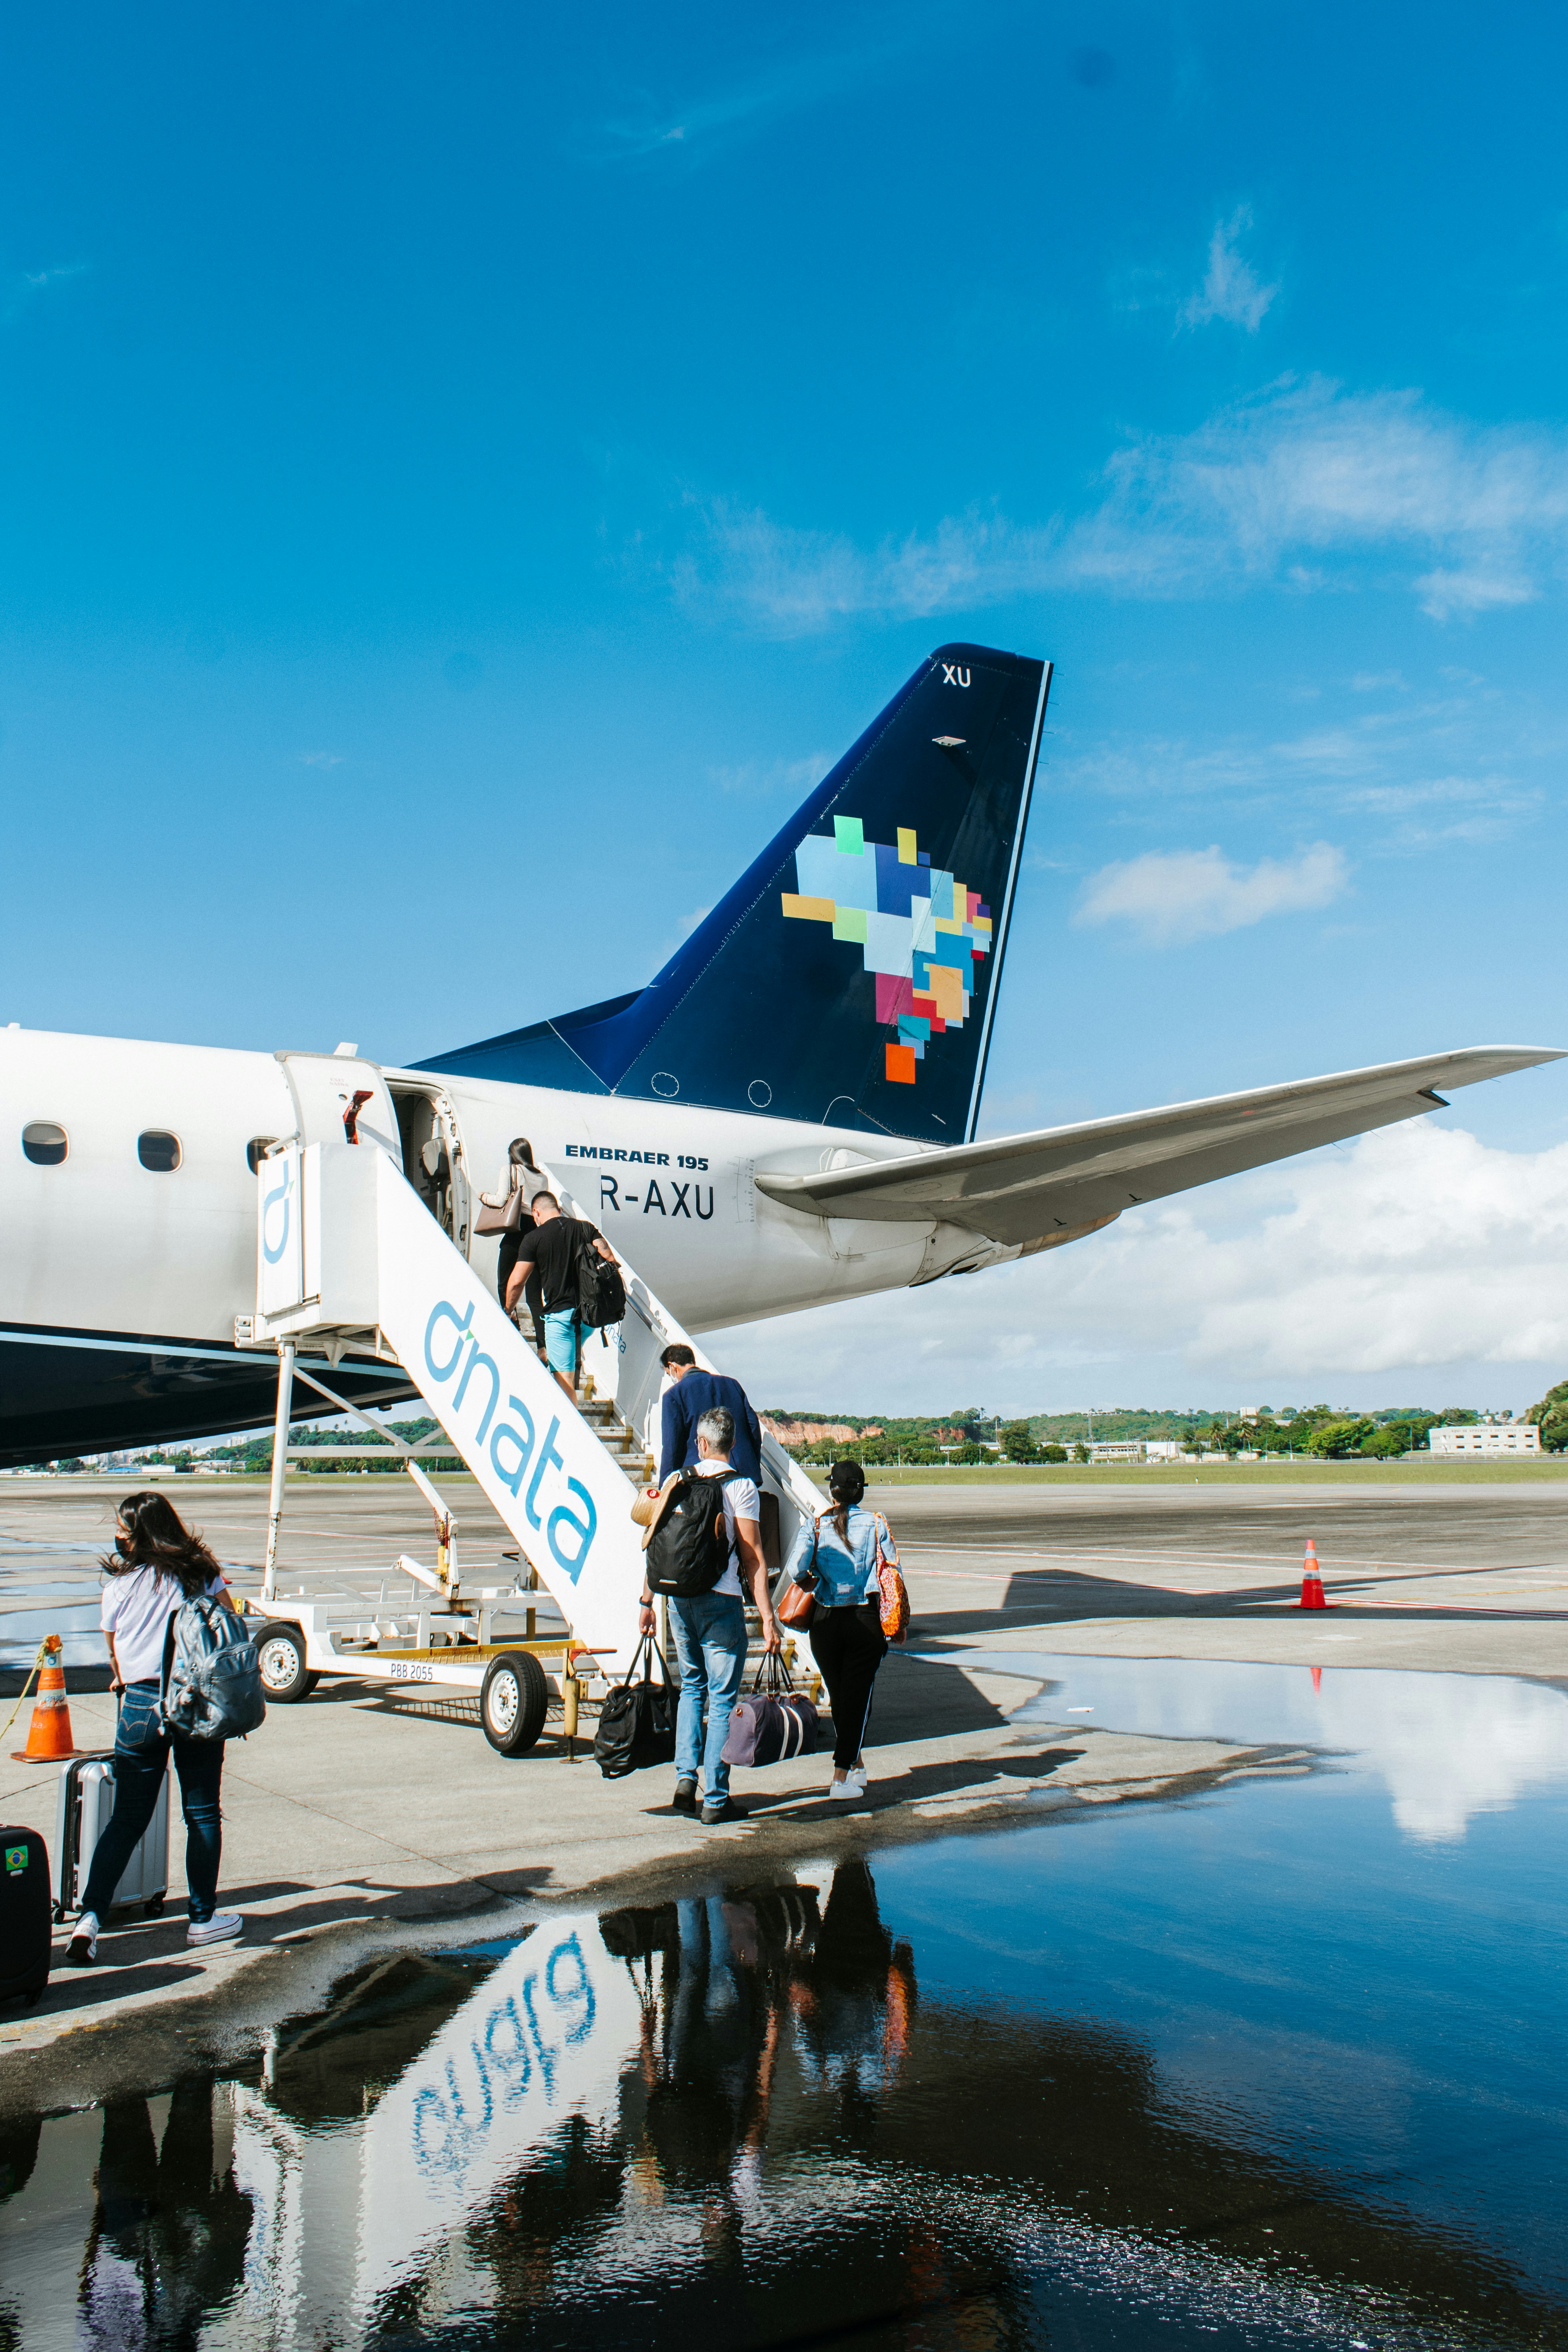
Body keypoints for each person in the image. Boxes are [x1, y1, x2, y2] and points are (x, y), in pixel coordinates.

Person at [66, 1492, 245, 1966]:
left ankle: (90, 1920)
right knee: (202, 1813)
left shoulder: (119, 1587)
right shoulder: (199, 1572)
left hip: (140, 1704)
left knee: (127, 1819)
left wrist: (126, 1678)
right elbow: (231, 1626)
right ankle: (203, 1919)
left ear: (137, 1535)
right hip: (194, 1703)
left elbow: (116, 1655)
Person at [639, 1406, 780, 1826]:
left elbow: (654, 1543)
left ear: (700, 1443)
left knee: (693, 1688)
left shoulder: (675, 1481)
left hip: (678, 1600)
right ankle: (715, 1798)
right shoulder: (742, 1488)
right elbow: (753, 1558)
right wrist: (768, 1617)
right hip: (720, 1600)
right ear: (732, 1443)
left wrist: (646, 1601)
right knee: (721, 1697)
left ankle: (685, 1780)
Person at [782, 1459, 897, 1800]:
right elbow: (892, 1573)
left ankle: (856, 1765)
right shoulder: (877, 1524)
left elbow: (795, 1568)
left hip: (825, 1623)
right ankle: (841, 1775)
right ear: (860, 1491)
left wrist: (811, 1580)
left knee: (842, 1698)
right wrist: (898, 1621)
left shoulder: (816, 1525)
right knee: (857, 1700)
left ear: (832, 1489)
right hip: (863, 1618)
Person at [505, 1193, 619, 1399]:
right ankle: (570, 1361)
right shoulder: (585, 1228)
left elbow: (516, 1282)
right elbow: (610, 1259)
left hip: (561, 1319)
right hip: (588, 1318)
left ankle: (573, 1428)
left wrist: (509, 1309)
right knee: (569, 1362)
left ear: (536, 1213)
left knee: (564, 1389)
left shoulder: (533, 1239)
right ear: (557, 1208)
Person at [657, 1345, 764, 1486]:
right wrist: (752, 1464)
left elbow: (672, 1446)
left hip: (702, 1482)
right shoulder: (732, 1384)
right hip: (744, 1474)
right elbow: (753, 1427)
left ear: (672, 1366)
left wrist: (665, 1484)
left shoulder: (674, 1395)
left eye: (668, 1372)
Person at [480, 1137, 550, 1312]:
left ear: (513, 1154)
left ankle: (510, 1321)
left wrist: (483, 1197)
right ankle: (542, 1339)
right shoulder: (542, 1178)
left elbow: (500, 1200)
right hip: (536, 1229)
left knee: (505, 1281)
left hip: (517, 1229)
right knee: (534, 1293)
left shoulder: (510, 1170)